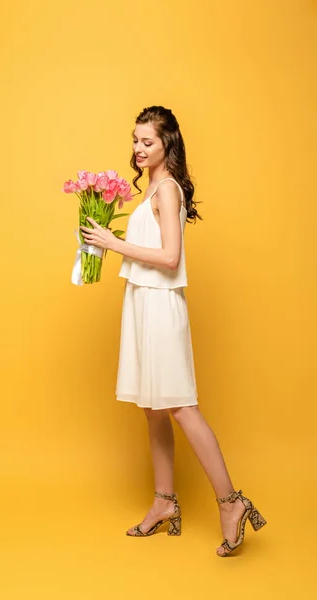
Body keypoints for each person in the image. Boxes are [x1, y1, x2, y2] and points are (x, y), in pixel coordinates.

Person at [79, 105, 266, 556]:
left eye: (148, 142)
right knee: (153, 408)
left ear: (168, 144)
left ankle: (230, 502)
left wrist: (111, 243)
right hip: (141, 301)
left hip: (161, 305)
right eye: (135, 140)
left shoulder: (167, 190)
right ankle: (164, 502)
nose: (138, 149)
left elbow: (169, 258)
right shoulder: (150, 192)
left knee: (181, 406)